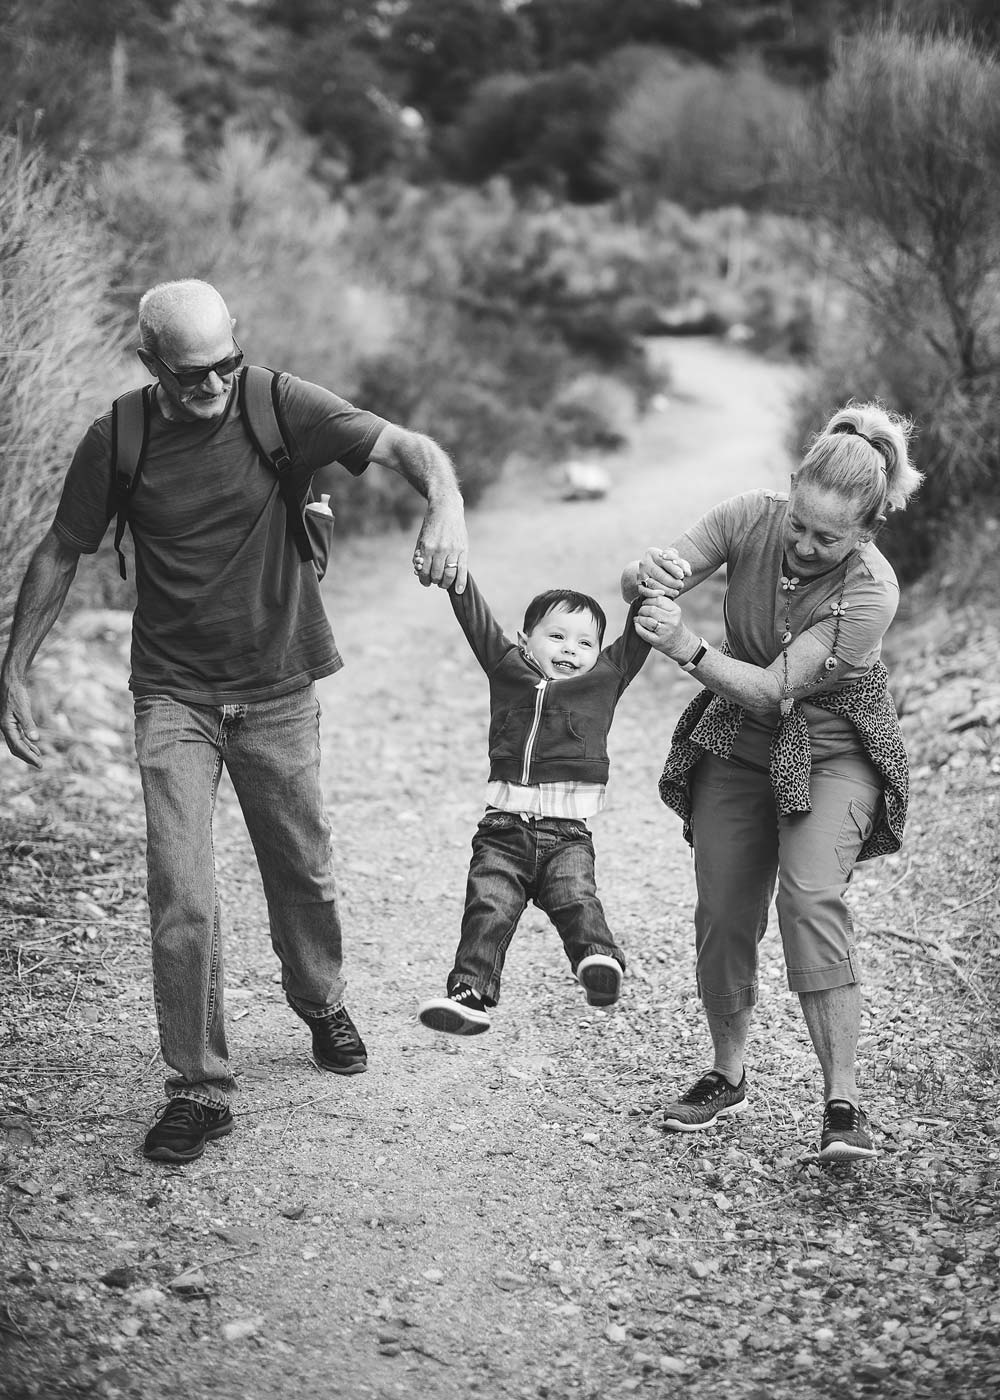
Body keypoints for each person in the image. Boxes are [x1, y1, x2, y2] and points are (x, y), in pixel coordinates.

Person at [0, 279, 468, 1164]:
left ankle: (321, 1000)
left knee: (303, 866)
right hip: (172, 692)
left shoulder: (279, 402)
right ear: (150, 365)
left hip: (279, 684)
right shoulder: (120, 436)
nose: (212, 387)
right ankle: (198, 1086)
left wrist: (446, 506)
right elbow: (62, 548)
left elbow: (411, 446)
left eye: (226, 365)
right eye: (191, 375)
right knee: (181, 890)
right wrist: (15, 666)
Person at [623, 401, 920, 1162]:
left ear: (867, 529)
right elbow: (656, 572)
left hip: (833, 748)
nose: (807, 545)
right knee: (723, 908)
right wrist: (645, 575)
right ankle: (727, 1074)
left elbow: (771, 689)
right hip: (739, 744)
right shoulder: (746, 517)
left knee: (810, 895)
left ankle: (842, 1105)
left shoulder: (870, 593)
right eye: (800, 525)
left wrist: (686, 648)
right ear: (791, 488)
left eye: (830, 537)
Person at [417, 565, 682, 1036]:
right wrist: (454, 571)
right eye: (557, 636)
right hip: (502, 833)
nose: (570, 650)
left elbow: (636, 635)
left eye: (585, 643)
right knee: (488, 909)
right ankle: (469, 995)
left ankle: (598, 964)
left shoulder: (606, 678)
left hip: (567, 835)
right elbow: (475, 618)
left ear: (599, 653)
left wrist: (652, 589)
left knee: (577, 899)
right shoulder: (506, 666)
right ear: (525, 640)